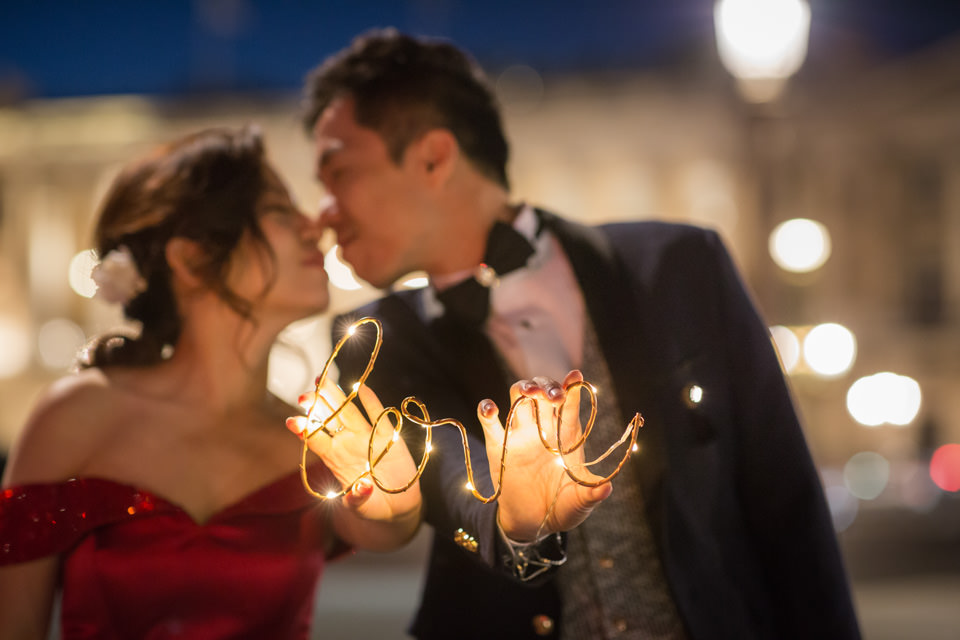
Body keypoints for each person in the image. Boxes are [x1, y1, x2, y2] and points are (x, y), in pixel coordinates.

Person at [301, 29, 863, 639]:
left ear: (435, 157)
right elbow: (454, 492)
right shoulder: (375, 338)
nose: (323, 211)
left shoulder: (679, 265)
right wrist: (516, 524)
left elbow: (787, 505)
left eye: (338, 173)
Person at [0, 126, 428, 639]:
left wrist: (399, 505)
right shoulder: (75, 419)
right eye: (278, 210)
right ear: (191, 258)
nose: (314, 225)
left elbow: (382, 528)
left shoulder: (311, 438)